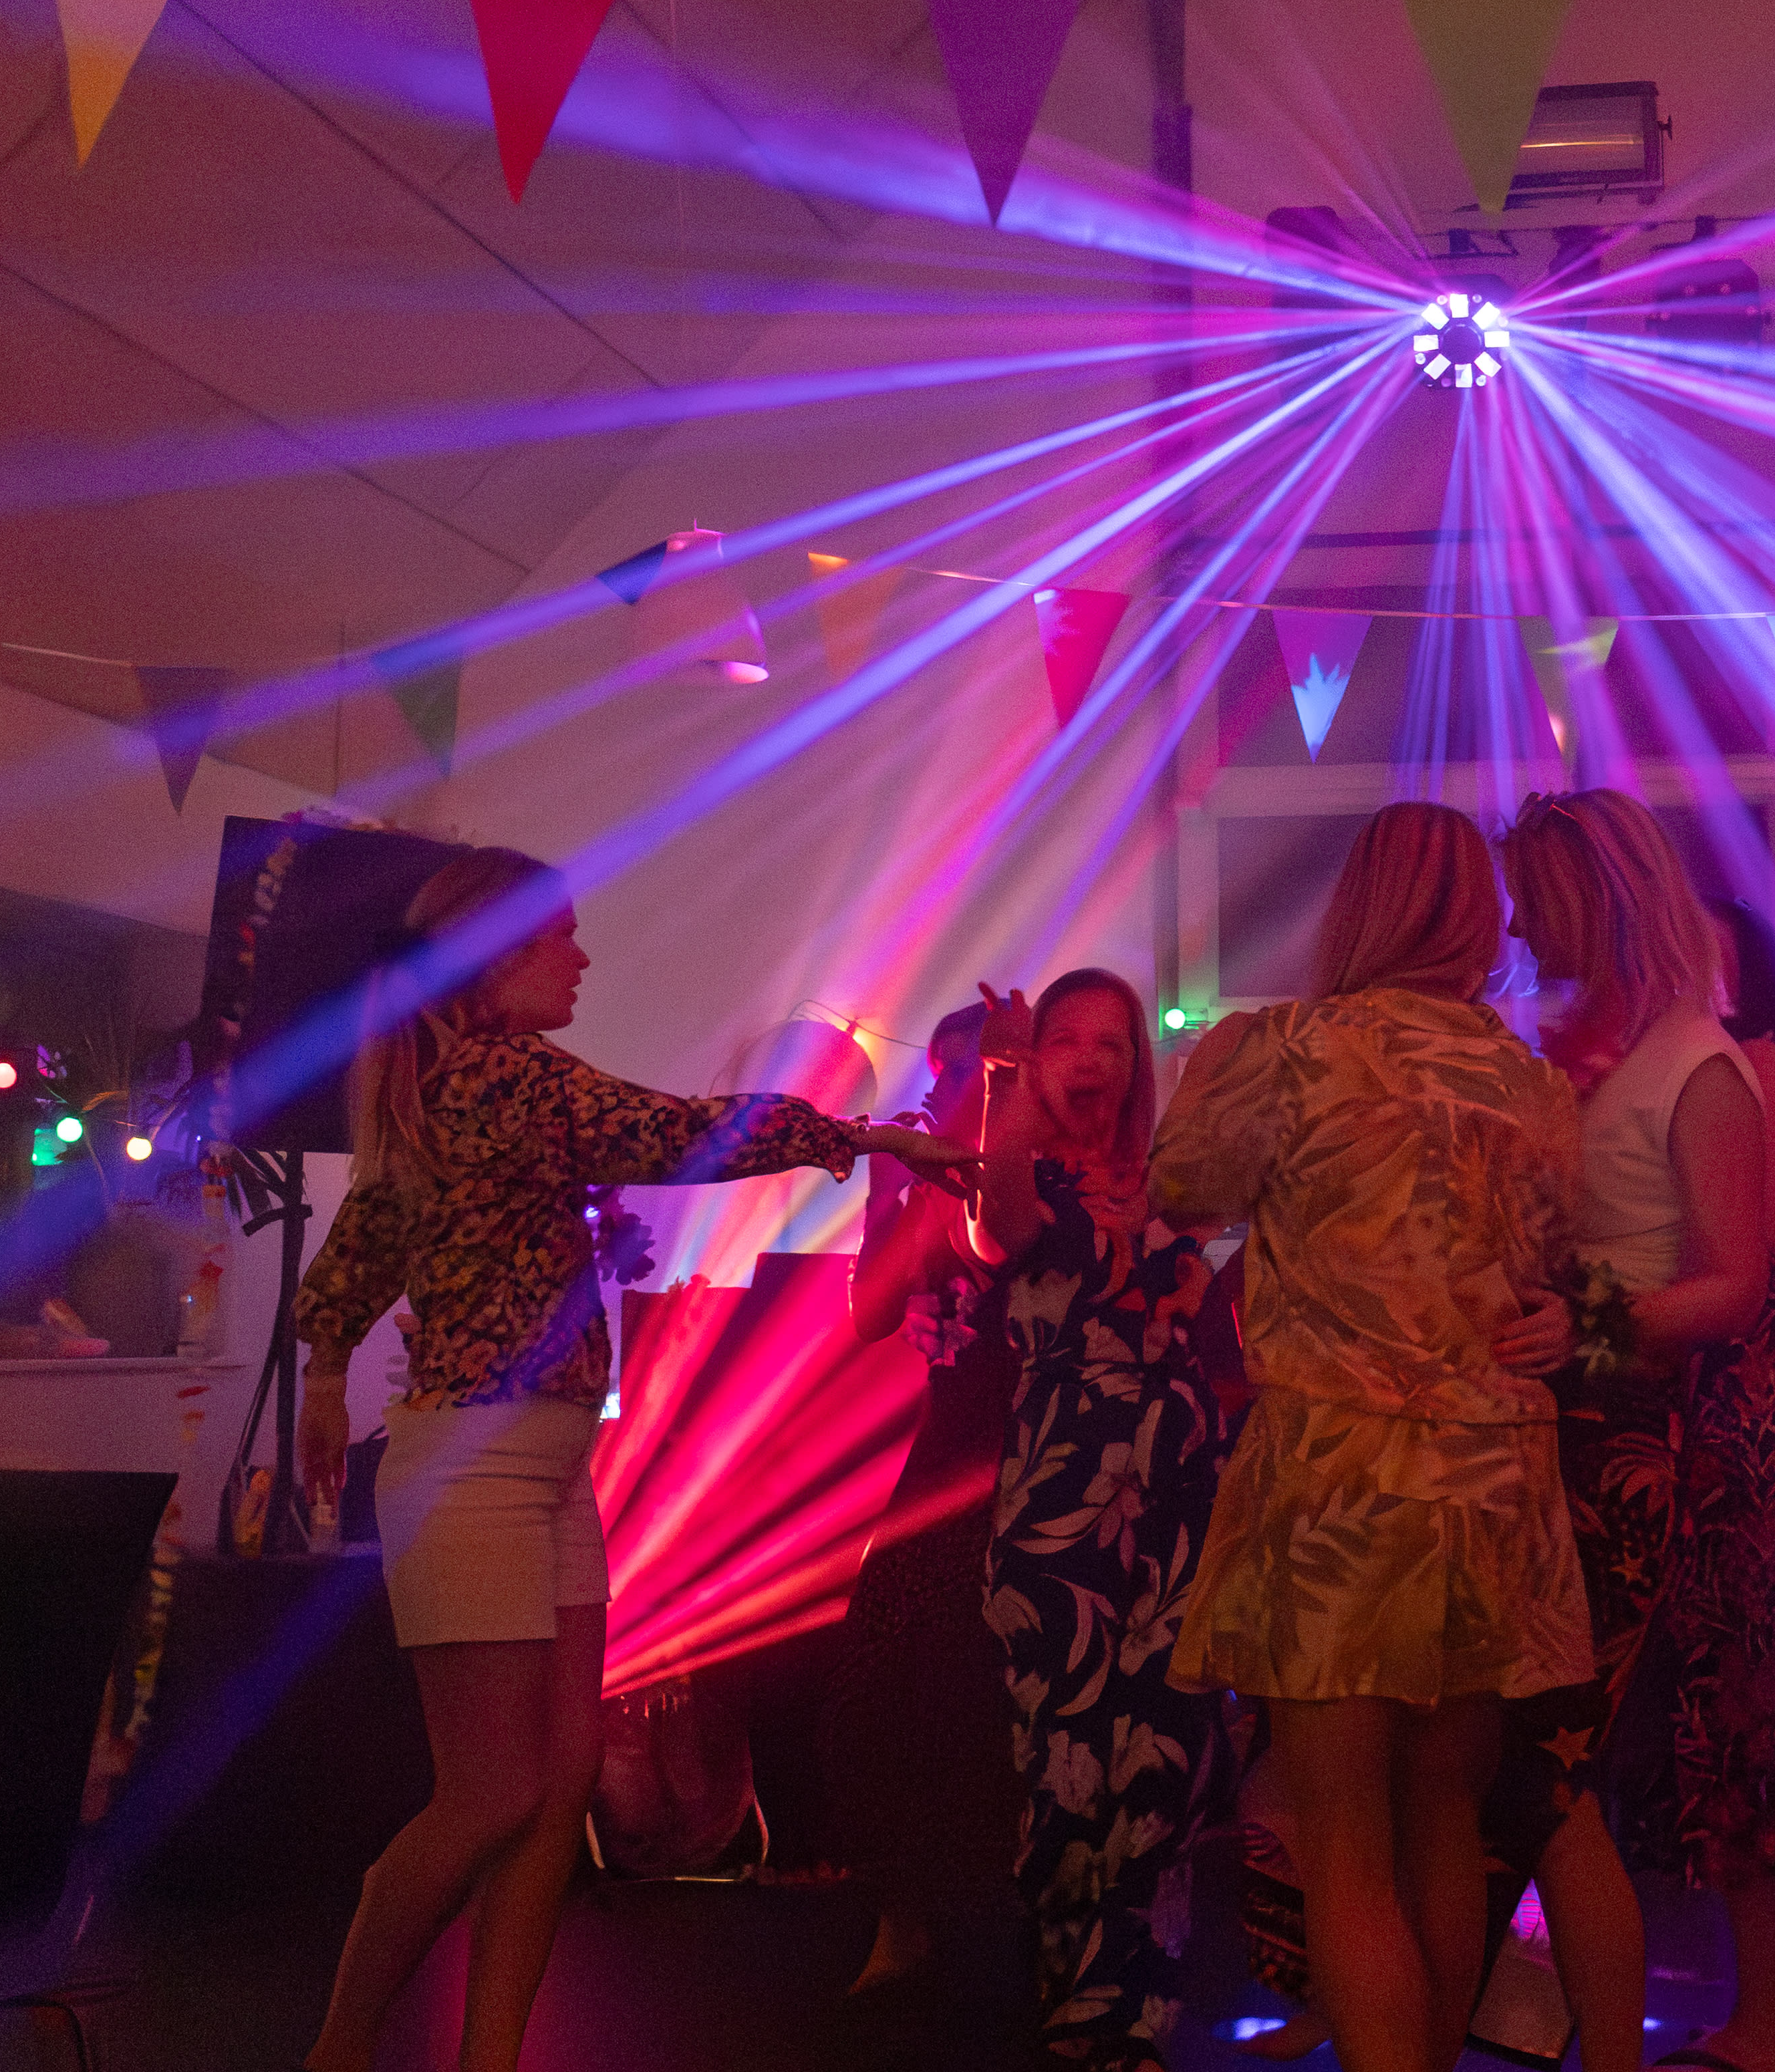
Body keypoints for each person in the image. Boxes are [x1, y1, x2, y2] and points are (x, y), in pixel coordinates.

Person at [289, 849, 976, 2072]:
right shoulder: (506, 1080)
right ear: (496, 954)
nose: (582, 957)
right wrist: (864, 1136)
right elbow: (682, 1133)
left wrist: (327, 1380)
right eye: (560, 936)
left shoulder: (447, 1089)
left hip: (536, 1470)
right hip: (478, 1471)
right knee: (493, 1794)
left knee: (558, 1789)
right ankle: (339, 2049)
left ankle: (485, 2059)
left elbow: (361, 1246)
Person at [1154, 802, 1595, 2072]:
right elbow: (1555, 1261)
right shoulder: (1532, 1084)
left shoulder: (1284, 1051)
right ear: (1479, 920)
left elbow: (1183, 1189)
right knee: (1446, 1826)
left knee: (1345, 1848)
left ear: (1359, 908)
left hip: (1342, 1486)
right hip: (1494, 1485)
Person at [1493, 788, 1770, 2072]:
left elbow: (1737, 1283)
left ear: (1594, 899)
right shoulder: (1593, 1051)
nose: (1516, 930)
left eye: (1533, 904)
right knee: (1531, 1763)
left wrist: (1588, 1326)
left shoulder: (1698, 1067)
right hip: (1552, 1428)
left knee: (1551, 1764)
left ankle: (1589, 2040)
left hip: (1619, 1444)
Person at [1616, 898, 1775, 2072]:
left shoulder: (1755, 1074)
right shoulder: (1769, 1070)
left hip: (1751, 1416)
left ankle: (1765, 2021)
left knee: (1747, 1703)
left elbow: (1746, 1257)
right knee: (1760, 1691)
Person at [967, 966, 1226, 2072]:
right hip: (1063, 1494)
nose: (1087, 1058)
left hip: (1177, 1490)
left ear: (1134, 1065)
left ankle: (1144, 2017)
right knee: (1064, 1747)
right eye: (1063, 1040)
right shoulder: (1019, 1177)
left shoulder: (1175, 1184)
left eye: (1109, 1041)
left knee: (1166, 1751)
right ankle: (1072, 2016)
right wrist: (999, 1077)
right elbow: (996, 1227)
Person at [820, 1003, 1032, 2051]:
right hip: (947, 1453)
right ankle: (907, 1914)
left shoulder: (1023, 1176)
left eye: (962, 1069)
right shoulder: (926, 1179)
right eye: (942, 1069)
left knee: (986, 1690)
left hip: (1029, 1452)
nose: (940, 1086)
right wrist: (883, 1189)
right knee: (882, 1674)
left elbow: (1001, 1249)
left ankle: (998, 1926)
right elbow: (870, 1316)